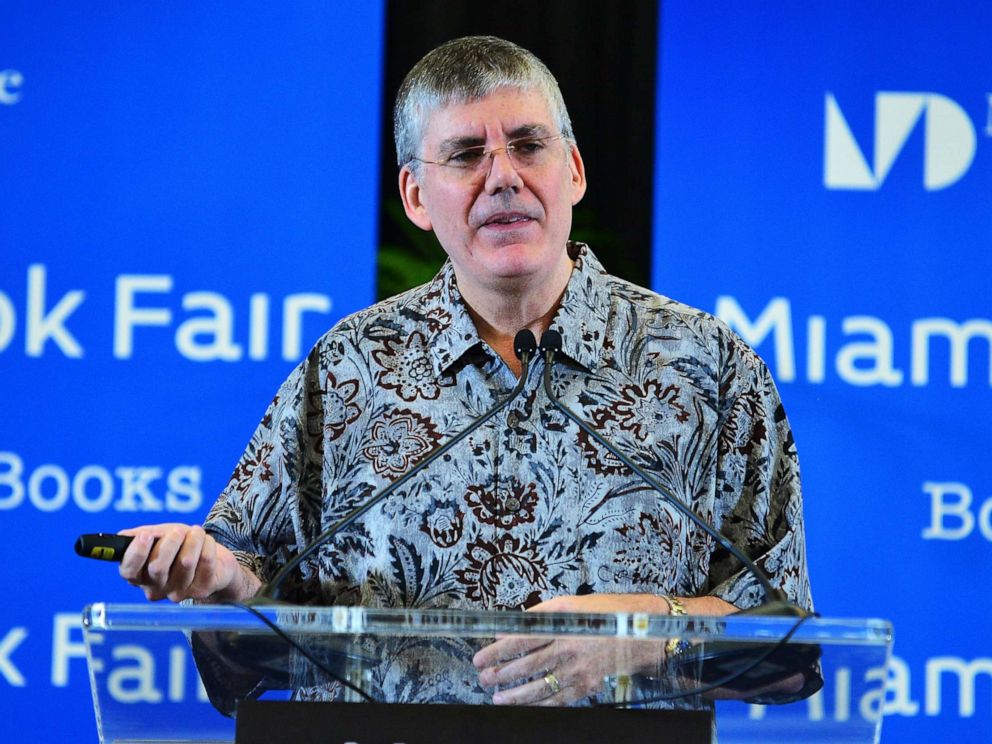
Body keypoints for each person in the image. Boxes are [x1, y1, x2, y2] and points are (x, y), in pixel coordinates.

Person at [118, 35, 813, 707]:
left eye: (529, 145)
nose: (504, 176)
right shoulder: (350, 369)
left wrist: (649, 632)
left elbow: (785, 646)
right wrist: (222, 581)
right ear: (417, 196)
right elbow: (253, 633)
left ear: (573, 168)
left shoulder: (705, 366)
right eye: (465, 154)